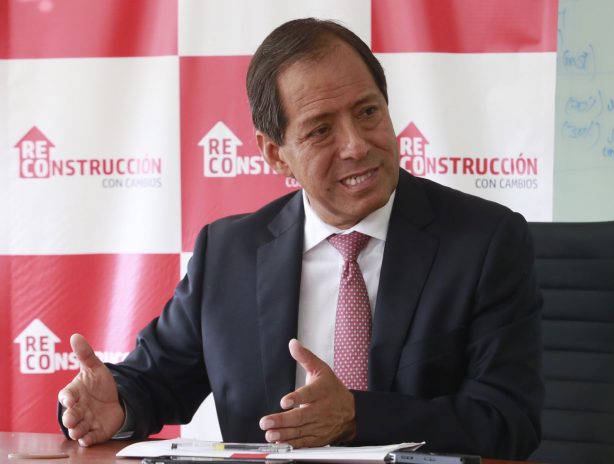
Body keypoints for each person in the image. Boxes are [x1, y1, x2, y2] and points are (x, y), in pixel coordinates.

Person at [57, 18, 543, 460]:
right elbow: (154, 381)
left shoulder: (483, 242)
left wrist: (356, 417)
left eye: (367, 112)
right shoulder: (228, 253)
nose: (356, 145)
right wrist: (116, 405)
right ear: (275, 154)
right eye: (321, 130)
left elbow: (508, 422)